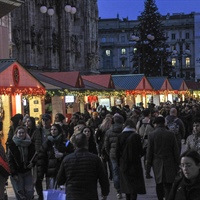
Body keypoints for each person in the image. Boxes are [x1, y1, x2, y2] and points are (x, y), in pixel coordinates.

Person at [56, 133, 110, 200]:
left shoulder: (67, 159)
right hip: (90, 195)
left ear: (74, 144)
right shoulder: (95, 159)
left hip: (72, 195)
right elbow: (103, 178)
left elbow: (59, 180)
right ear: (86, 143)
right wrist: (105, 193)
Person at [146, 116, 179, 200]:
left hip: (157, 162)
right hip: (170, 161)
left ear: (155, 124)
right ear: (164, 123)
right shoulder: (171, 134)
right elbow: (175, 150)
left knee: (159, 184)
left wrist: (148, 168)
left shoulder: (151, 135)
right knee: (169, 184)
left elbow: (149, 152)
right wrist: (178, 164)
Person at [37, 124, 74, 198]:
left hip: (63, 171)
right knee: (51, 193)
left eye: (55, 129)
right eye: (52, 130)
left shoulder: (66, 142)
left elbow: (72, 154)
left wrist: (63, 155)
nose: (53, 131)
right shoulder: (47, 143)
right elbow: (41, 158)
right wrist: (40, 174)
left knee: (62, 193)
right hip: (50, 172)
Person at [116, 119, 146, 200]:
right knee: (134, 185)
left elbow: (117, 152)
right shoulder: (136, 136)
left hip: (124, 163)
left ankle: (128, 198)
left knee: (126, 184)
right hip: (135, 163)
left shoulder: (120, 136)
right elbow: (141, 151)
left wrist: (119, 163)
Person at [7, 126, 36, 200]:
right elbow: (10, 160)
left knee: (29, 192)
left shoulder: (30, 144)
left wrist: (33, 163)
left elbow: (35, 157)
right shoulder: (12, 145)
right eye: (19, 133)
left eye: (23, 133)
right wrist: (13, 173)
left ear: (25, 134)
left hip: (27, 171)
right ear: (16, 134)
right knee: (20, 192)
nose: (21, 134)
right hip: (17, 172)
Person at [104, 113, 124, 199]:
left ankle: (118, 191)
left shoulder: (109, 131)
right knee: (124, 171)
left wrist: (109, 152)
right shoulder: (124, 130)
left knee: (115, 172)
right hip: (123, 154)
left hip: (113, 154)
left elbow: (106, 144)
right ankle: (125, 188)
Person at [136, 108, 154, 178]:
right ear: (149, 114)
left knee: (144, 157)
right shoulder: (152, 122)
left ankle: (145, 169)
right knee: (149, 157)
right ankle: (147, 171)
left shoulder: (140, 122)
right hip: (150, 141)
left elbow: (137, 130)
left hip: (142, 141)